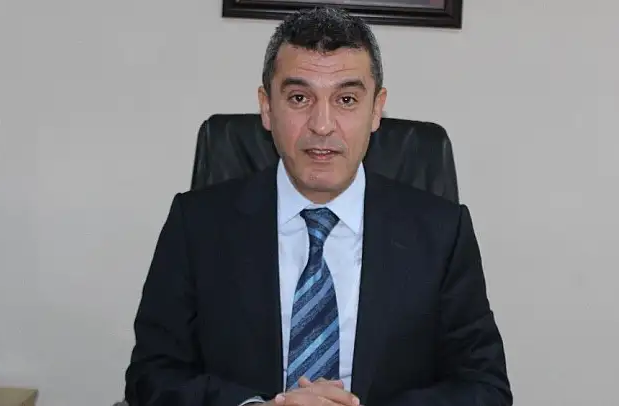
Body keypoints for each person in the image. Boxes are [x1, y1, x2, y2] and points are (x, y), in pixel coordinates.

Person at [125, 6, 512, 406]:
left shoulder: (442, 233)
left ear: (376, 109)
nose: (322, 125)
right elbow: (152, 376)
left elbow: (485, 388)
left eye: (346, 99)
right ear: (266, 107)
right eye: (299, 98)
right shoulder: (196, 225)